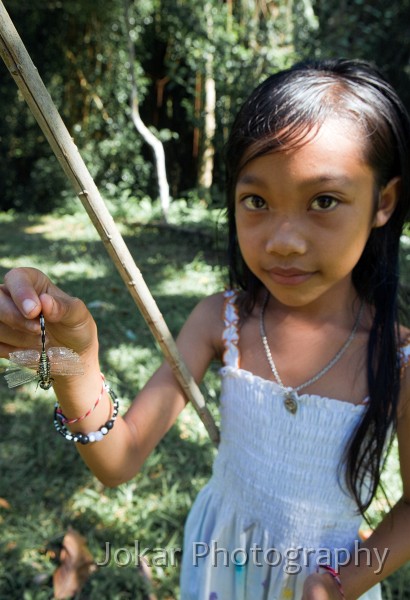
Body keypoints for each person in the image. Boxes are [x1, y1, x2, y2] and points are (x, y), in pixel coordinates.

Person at [1, 58, 410, 600]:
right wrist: (74, 362)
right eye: (257, 201)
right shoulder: (222, 320)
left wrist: (344, 582)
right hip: (219, 567)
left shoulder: (398, 359)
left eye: (324, 201)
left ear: (383, 202)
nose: (283, 239)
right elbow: (119, 461)